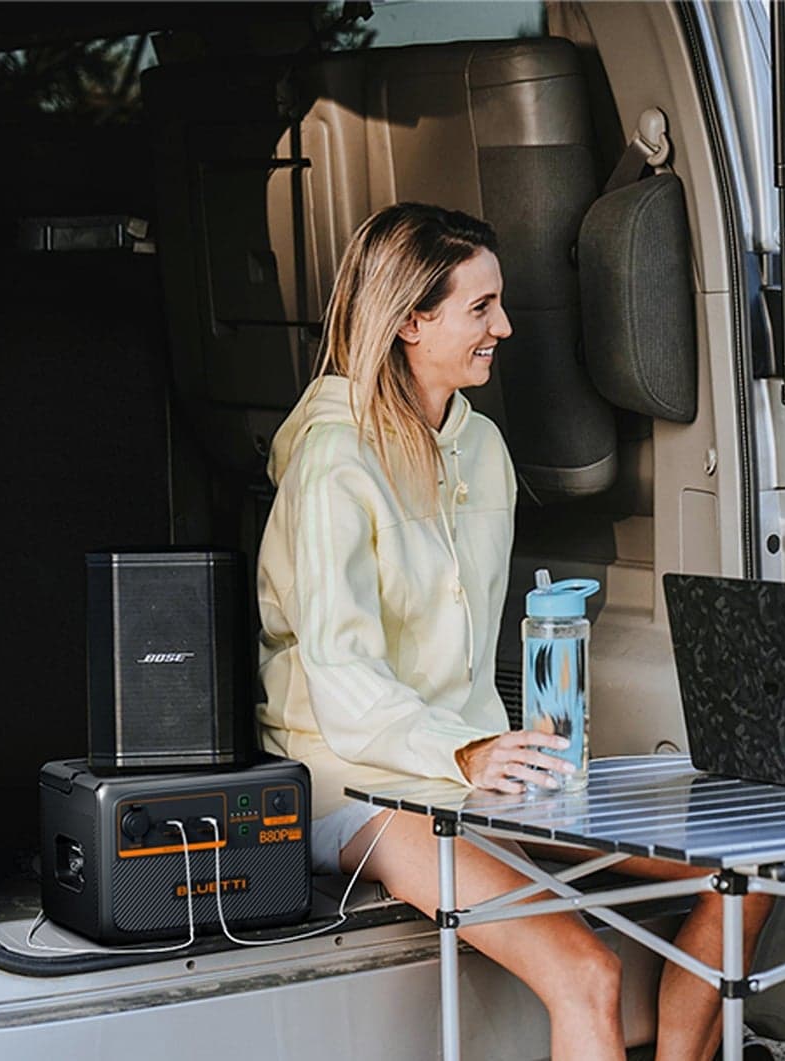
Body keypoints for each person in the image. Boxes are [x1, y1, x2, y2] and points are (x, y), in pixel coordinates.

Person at [256, 203, 735, 1061]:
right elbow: (342, 678)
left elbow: (470, 657)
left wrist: (505, 752)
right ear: (410, 320)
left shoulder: (484, 452)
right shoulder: (333, 463)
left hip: (469, 768)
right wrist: (469, 751)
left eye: (499, 303)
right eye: (481, 308)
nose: (504, 327)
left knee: (735, 875)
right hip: (353, 777)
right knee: (585, 970)